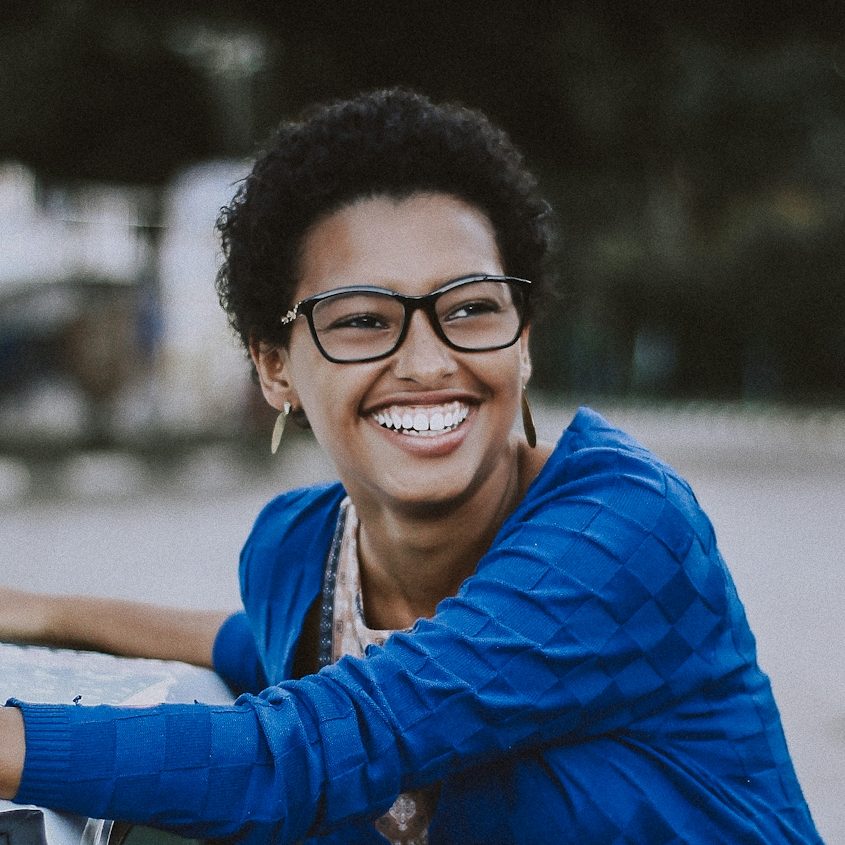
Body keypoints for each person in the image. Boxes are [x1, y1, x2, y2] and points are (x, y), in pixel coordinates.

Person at [0, 89, 820, 844]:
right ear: (274, 367)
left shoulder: (623, 529)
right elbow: (260, 644)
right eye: (361, 319)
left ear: (523, 340)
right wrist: (40, 611)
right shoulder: (294, 550)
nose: (428, 362)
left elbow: (304, 751)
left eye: (471, 308)